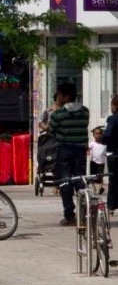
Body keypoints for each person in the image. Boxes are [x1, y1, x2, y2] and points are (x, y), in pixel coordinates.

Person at [47, 82, 90, 226]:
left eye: (59, 94)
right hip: (80, 150)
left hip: (64, 150)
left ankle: (69, 215)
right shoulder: (85, 112)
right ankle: (84, 213)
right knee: (80, 179)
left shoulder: (58, 114)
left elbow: (51, 131)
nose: (58, 97)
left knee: (65, 181)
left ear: (66, 96)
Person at [103, 94, 118, 213]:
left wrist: (103, 140)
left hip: (114, 153)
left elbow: (107, 135)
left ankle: (111, 205)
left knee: (113, 181)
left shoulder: (113, 119)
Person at [90, 127, 108, 196]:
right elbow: (88, 150)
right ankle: (93, 188)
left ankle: (101, 187)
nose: (98, 135)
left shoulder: (104, 145)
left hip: (101, 162)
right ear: (93, 135)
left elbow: (106, 153)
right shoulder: (92, 144)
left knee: (100, 175)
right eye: (96, 134)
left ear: (102, 135)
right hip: (93, 162)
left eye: (100, 134)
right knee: (92, 176)